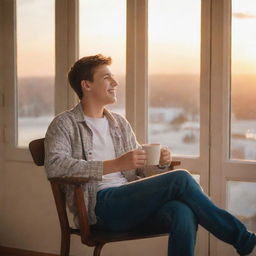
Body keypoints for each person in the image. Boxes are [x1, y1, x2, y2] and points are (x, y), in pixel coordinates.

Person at [44, 54, 255, 256]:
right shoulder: (64, 124)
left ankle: (241, 239)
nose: (115, 83)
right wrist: (115, 164)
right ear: (86, 85)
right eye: (107, 77)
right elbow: (55, 166)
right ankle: (243, 239)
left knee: (182, 211)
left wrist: (160, 164)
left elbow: (140, 168)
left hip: (131, 203)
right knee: (180, 178)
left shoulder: (118, 123)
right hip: (100, 208)